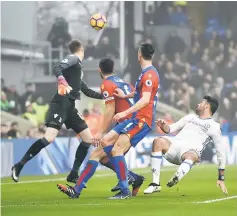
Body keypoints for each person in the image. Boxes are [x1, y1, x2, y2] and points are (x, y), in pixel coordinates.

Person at [57, 43, 160, 199]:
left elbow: (119, 107)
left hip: (139, 119)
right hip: (130, 120)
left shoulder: (146, 75)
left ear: (139, 54)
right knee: (100, 154)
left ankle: (125, 189)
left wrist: (103, 129)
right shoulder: (125, 80)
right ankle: (77, 190)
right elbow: (139, 95)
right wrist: (126, 97)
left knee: (114, 150)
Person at [11, 40, 103, 183]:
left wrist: (104, 95)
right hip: (60, 103)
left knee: (87, 139)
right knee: (49, 138)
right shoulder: (73, 58)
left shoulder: (77, 69)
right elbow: (57, 67)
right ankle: (19, 165)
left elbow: (86, 90)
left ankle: (73, 173)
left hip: (70, 106)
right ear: (81, 49)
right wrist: (61, 79)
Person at [64, 57, 145, 193]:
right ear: (113, 69)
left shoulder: (106, 84)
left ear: (99, 70)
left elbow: (109, 110)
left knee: (97, 155)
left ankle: (76, 190)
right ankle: (133, 178)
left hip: (128, 124)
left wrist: (101, 132)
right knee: (104, 158)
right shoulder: (123, 83)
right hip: (133, 122)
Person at [144, 96, 228, 194]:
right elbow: (170, 129)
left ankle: (178, 175)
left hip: (189, 154)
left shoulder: (214, 126)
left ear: (206, 106)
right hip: (173, 148)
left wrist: (221, 178)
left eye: (201, 103)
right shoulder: (190, 117)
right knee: (158, 141)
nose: (198, 104)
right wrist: (164, 126)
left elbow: (220, 152)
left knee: (192, 155)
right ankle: (155, 184)